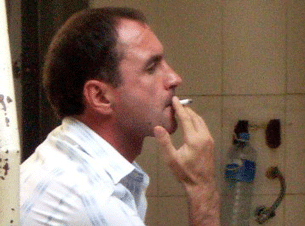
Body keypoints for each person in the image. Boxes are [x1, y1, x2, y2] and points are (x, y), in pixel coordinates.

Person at [20, 7, 220, 226]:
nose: (174, 78)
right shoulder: (92, 200)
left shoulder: (63, 156)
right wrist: (200, 184)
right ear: (100, 97)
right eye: (152, 67)